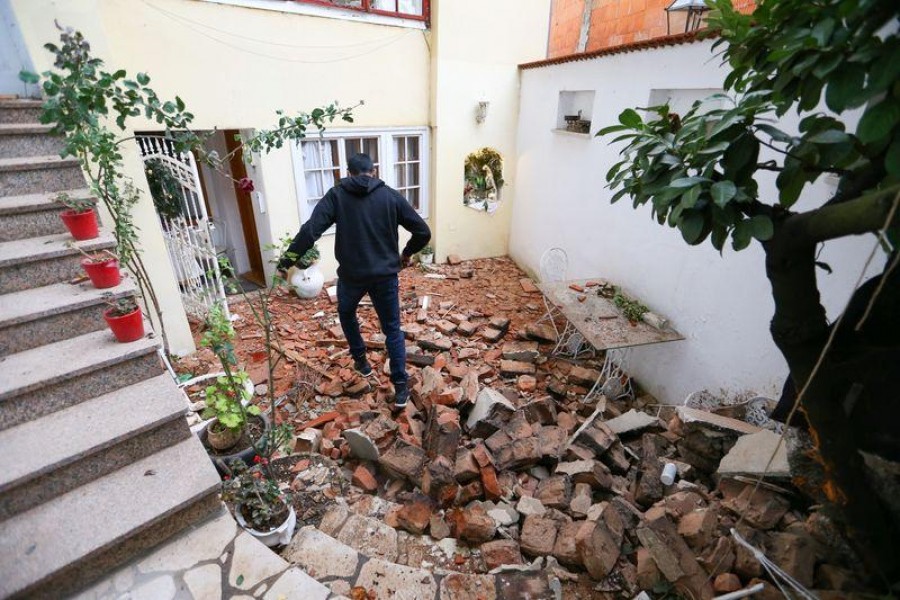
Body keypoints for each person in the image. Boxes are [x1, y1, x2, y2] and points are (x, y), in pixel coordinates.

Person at [276, 153, 431, 410]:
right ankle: (401, 388)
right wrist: (406, 254)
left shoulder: (337, 196)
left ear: (348, 173)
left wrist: (286, 261)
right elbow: (422, 232)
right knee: (392, 328)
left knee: (346, 313)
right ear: (375, 170)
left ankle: (361, 361)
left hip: (352, 276)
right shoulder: (390, 196)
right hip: (385, 276)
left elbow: (310, 230)